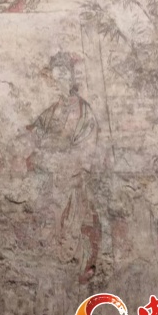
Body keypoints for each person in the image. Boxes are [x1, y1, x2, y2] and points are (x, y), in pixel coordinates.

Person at [25, 51, 100, 284]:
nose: (59, 82)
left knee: (67, 231)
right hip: (46, 183)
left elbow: (84, 154)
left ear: (72, 78)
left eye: (64, 76)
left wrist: (54, 158)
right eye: (55, 77)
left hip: (71, 184)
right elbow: (31, 138)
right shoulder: (51, 111)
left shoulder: (84, 112)